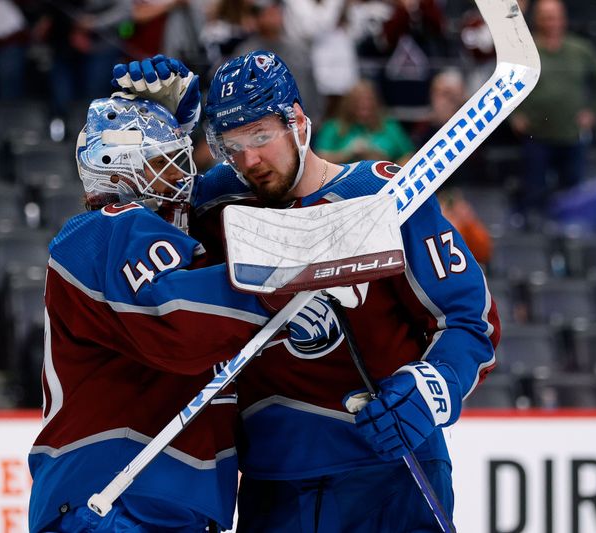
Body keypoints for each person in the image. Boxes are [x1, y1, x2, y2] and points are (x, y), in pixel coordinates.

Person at [113, 51, 501, 531]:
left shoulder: (380, 195)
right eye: (231, 145)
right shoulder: (215, 204)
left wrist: (435, 383)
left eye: (260, 136)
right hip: (274, 483)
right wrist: (162, 135)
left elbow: (468, 320)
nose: (249, 159)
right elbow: (127, 258)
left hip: (389, 471)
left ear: (298, 121)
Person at [27, 95, 275, 532]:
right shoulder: (108, 227)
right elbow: (177, 322)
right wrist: (284, 277)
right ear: (120, 168)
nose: (183, 175)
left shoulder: (155, 237)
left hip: (162, 500)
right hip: (112, 498)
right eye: (166, 160)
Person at [509, 0, 596, 228]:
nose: (551, 22)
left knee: (573, 195)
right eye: (546, 17)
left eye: (555, 16)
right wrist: (515, 114)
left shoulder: (580, 50)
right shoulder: (524, 48)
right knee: (534, 191)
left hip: (571, 135)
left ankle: (570, 240)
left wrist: (593, 112)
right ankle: (534, 239)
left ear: (563, 19)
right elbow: (506, 83)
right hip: (536, 135)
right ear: (537, 19)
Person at [315, 78, 414, 165]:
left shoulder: (389, 125)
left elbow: (409, 156)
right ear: (348, 104)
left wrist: (386, 163)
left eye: (368, 100)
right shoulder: (333, 127)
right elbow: (320, 159)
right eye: (358, 101)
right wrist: (348, 154)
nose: (364, 105)